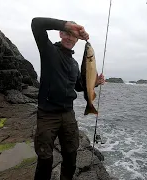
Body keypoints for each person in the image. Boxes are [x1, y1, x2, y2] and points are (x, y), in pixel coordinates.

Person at [31, 17, 105, 180]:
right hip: (47, 114)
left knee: (71, 156)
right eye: (67, 34)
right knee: (45, 158)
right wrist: (67, 24)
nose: (70, 38)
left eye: (74, 36)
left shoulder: (74, 64)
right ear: (60, 33)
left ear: (77, 40)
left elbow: (79, 86)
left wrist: (96, 83)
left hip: (68, 114)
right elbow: (36, 23)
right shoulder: (48, 51)